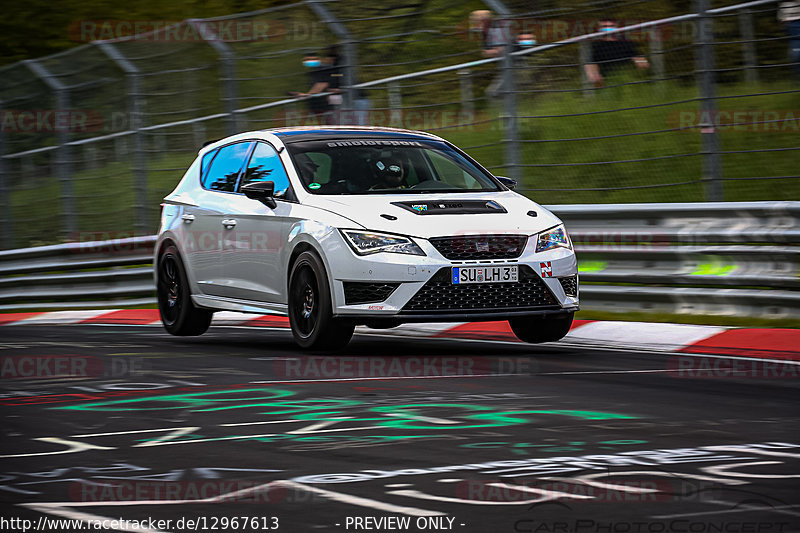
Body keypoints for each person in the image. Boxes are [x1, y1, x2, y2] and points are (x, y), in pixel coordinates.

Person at [585, 19, 649, 88]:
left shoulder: (625, 42)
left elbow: (637, 56)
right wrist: (595, 77)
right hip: (607, 76)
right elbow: (591, 62)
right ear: (600, 29)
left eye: (610, 26)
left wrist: (642, 66)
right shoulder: (596, 45)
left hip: (626, 73)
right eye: (604, 26)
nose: (607, 29)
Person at [778, 1, 800, 77]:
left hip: (794, 27)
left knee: (796, 56)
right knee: (796, 57)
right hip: (793, 31)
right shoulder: (784, 4)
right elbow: (782, 20)